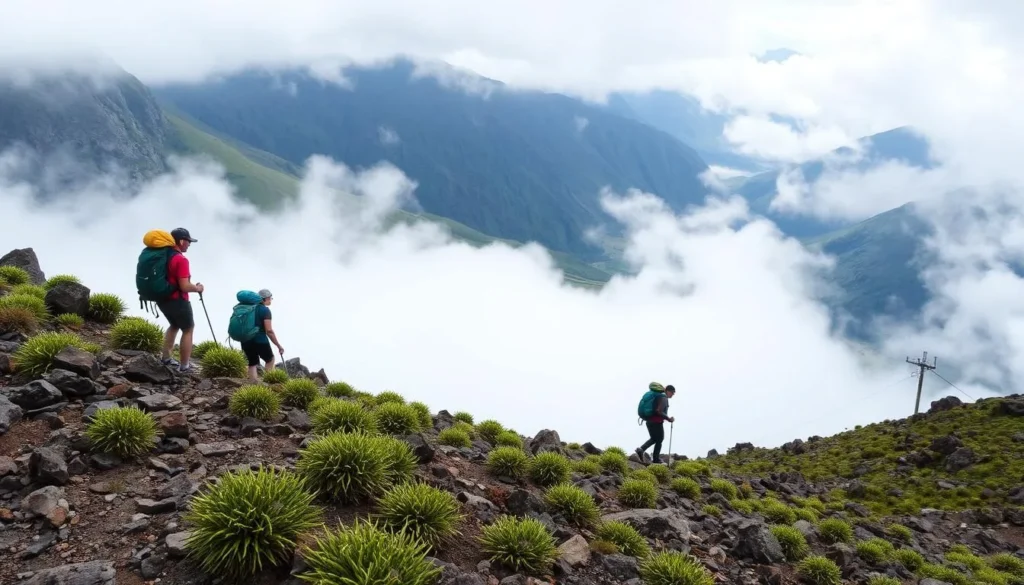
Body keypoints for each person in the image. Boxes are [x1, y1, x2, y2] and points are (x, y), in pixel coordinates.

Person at [157, 227, 203, 373]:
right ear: (182, 241)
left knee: (174, 325)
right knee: (188, 329)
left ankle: (166, 357)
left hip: (162, 298)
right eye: (188, 241)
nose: (189, 244)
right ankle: (184, 366)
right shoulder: (181, 259)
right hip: (178, 300)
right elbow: (184, 286)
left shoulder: (164, 255)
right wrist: (197, 288)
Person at [240, 288, 285, 380]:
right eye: (270, 298)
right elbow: (269, 331)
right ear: (266, 298)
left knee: (252, 363)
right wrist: (278, 346)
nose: (270, 300)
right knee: (270, 359)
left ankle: (253, 385)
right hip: (260, 340)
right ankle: (268, 381)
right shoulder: (265, 310)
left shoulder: (248, 309)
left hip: (245, 340)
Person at [635, 383, 676, 465]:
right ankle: (656, 459)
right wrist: (669, 419)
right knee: (659, 439)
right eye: (672, 392)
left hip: (649, 421)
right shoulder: (663, 397)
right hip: (656, 422)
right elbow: (659, 411)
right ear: (668, 391)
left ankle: (641, 449)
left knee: (654, 439)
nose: (672, 395)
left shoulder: (658, 396)